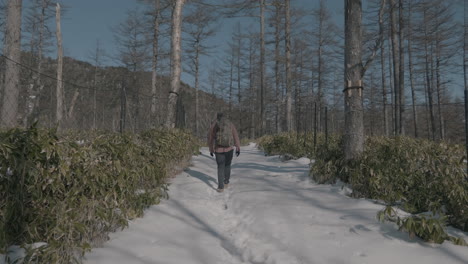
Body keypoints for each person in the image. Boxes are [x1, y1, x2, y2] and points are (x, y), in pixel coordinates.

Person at [207, 112, 240, 193]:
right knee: (227, 165)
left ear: (217, 117)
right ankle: (226, 182)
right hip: (229, 149)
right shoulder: (230, 124)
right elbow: (235, 135)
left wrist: (211, 149)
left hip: (218, 150)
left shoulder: (214, 125)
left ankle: (220, 187)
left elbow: (210, 138)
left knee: (220, 167)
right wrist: (238, 147)